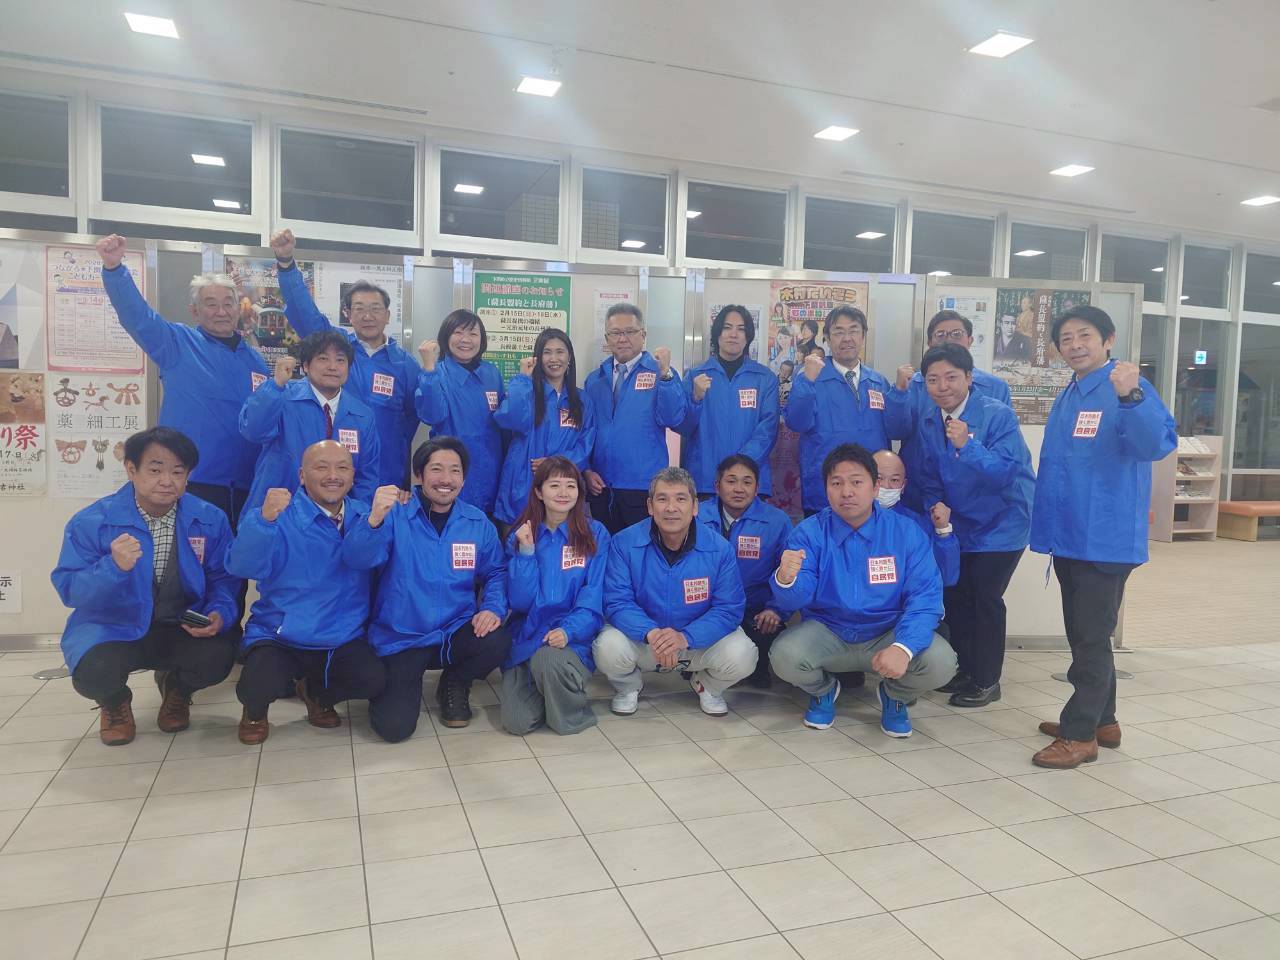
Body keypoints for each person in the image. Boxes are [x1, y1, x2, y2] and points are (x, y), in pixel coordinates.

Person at [1030, 306, 1176, 769]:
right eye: (1066, 338)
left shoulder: (1125, 386)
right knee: (1085, 634)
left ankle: (1079, 735)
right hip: (1070, 535)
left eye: (1085, 335)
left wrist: (1132, 396)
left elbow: (1155, 445)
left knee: (1090, 638)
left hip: (1105, 538)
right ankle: (1104, 721)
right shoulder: (1071, 391)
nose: (1075, 345)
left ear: (1108, 339)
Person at [52, 428, 240, 746]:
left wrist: (219, 611)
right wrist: (112, 568)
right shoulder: (92, 522)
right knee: (92, 672)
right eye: (155, 470)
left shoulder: (210, 519)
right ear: (131, 469)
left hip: (179, 623)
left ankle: (177, 689)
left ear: (188, 475)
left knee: (219, 656)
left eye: (177, 472)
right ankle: (115, 702)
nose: (167, 481)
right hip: (113, 627)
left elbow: (223, 578)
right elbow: (70, 588)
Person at [769, 444, 956, 735]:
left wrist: (903, 648)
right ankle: (823, 691)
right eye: (836, 483)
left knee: (942, 662)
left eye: (856, 482)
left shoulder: (905, 532)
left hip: (887, 632)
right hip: (830, 632)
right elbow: (797, 598)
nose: (846, 492)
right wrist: (785, 579)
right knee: (784, 656)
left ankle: (895, 697)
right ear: (826, 489)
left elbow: (925, 598)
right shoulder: (809, 532)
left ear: (875, 487)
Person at [95, 234, 268, 530]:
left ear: (239, 309)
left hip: (245, 488)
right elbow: (137, 317)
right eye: (211, 304)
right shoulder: (176, 343)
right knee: (183, 559)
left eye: (228, 303)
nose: (222, 311)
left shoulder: (256, 362)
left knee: (236, 560)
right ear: (195, 311)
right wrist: (114, 269)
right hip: (189, 483)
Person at [343, 438, 510, 739]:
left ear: (463, 478)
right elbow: (357, 559)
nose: (446, 479)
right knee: (394, 728)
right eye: (436, 469)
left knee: (497, 639)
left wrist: (492, 608)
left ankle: (455, 681)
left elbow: (496, 571)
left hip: (454, 630)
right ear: (419, 475)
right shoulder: (395, 514)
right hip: (402, 637)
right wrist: (374, 519)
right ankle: (403, 682)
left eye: (455, 471)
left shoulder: (476, 523)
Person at [228, 440, 386, 744]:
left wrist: (378, 519)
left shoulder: (366, 516)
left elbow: (371, 560)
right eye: (321, 467)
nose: (333, 476)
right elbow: (242, 566)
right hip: (281, 634)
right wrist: (263, 522)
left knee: (373, 679)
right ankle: (255, 712)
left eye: (342, 468)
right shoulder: (275, 515)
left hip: (340, 634)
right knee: (258, 683)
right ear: (301, 475)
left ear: (353, 475)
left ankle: (315, 694)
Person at [912, 344, 1035, 708]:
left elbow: (1005, 473)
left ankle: (987, 680)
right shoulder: (930, 420)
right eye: (933, 379)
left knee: (984, 597)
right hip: (960, 525)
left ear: (968, 378)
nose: (942, 387)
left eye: (951, 377)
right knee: (957, 597)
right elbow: (928, 474)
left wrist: (967, 444)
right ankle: (965, 670)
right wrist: (934, 504)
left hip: (1003, 524)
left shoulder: (997, 415)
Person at [594, 467, 755, 717]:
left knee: (744, 653)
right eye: (662, 499)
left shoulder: (720, 549)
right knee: (607, 646)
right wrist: (652, 633)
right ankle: (628, 688)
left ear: (695, 507)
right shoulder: (624, 543)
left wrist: (684, 637)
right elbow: (617, 602)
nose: (671, 508)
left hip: (695, 643)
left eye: (681, 499)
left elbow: (728, 609)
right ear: (650, 506)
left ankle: (707, 687)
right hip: (646, 641)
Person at [270, 229, 420, 488]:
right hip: (328, 474)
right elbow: (304, 312)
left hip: (383, 477)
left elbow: (410, 421)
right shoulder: (336, 348)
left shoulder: (405, 365)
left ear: (388, 315)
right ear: (348, 314)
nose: (367, 316)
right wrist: (286, 263)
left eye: (375, 309)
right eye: (359, 309)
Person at [501, 457, 610, 736]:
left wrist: (568, 631)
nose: (563, 493)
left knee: (549, 660)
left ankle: (570, 712)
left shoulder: (595, 533)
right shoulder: (521, 534)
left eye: (570, 485)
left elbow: (593, 596)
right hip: (528, 637)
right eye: (554, 485)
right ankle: (549, 688)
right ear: (539, 491)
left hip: (573, 639)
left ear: (579, 492)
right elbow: (520, 602)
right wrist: (526, 552)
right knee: (516, 722)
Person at [886, 309, 1013, 513]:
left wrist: (967, 446)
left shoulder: (996, 389)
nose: (949, 340)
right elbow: (897, 431)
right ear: (930, 343)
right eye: (941, 335)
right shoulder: (916, 383)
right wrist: (899, 393)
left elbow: (1004, 459)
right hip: (924, 490)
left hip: (978, 494)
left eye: (956, 334)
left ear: (970, 340)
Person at [239, 329, 380, 510]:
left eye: (340, 360)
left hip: (334, 519)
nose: (332, 367)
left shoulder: (363, 416)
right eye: (323, 359)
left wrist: (356, 519)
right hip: (278, 513)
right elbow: (252, 431)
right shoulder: (282, 396)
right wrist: (275, 385)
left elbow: (366, 479)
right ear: (305, 365)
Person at [583, 303, 688, 533]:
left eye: (630, 331)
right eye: (615, 333)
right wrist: (586, 470)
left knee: (641, 550)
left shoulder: (660, 372)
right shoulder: (594, 380)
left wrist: (665, 374)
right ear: (607, 338)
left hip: (642, 486)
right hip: (601, 486)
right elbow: (586, 431)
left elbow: (674, 418)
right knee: (604, 548)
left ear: (643, 335)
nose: (622, 339)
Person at [784, 305, 891, 516]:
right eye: (839, 332)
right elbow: (796, 422)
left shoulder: (879, 382)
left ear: (863, 336)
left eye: (854, 331)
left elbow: (895, 430)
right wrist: (807, 381)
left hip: (870, 493)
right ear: (827, 338)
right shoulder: (810, 377)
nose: (847, 338)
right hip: (823, 492)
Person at [696, 454, 792, 688]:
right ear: (717, 486)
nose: (739, 489)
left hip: (755, 608)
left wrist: (776, 608)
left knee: (765, 630)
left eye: (747, 482)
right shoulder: (696, 517)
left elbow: (790, 573)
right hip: (707, 607)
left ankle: (758, 666)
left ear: (757, 488)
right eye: (731, 481)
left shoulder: (777, 521)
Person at [493, 329, 596, 526]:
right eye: (547, 352)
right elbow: (511, 419)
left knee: (560, 539)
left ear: (569, 357)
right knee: (520, 541)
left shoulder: (582, 400)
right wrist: (523, 379)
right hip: (522, 485)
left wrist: (554, 464)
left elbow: (586, 444)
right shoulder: (525, 391)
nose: (554, 358)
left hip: (563, 486)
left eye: (560, 352)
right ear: (538, 358)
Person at [678, 305, 779, 497]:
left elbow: (768, 429)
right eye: (727, 327)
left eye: (741, 329)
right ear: (717, 334)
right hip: (705, 480)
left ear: (748, 337)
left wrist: (740, 465)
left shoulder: (765, 378)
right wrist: (695, 399)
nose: (734, 334)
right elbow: (682, 427)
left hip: (749, 480)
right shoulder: (695, 376)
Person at [415, 310, 505, 515]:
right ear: (446, 337)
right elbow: (432, 415)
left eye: (473, 333)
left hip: (491, 470)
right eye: (458, 332)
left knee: (486, 527)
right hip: (451, 472)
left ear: (481, 339)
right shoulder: (436, 373)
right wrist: (429, 369)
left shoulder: (491, 373)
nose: (466, 340)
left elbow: (503, 423)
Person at [872, 450, 959, 589]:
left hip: (907, 600)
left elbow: (946, 577)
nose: (885, 486)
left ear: (903, 485)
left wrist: (943, 530)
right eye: (878, 478)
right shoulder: (846, 521)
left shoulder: (916, 525)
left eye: (894, 480)